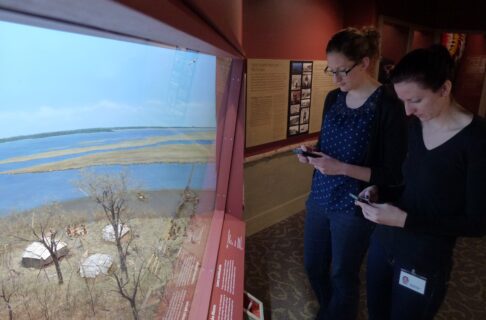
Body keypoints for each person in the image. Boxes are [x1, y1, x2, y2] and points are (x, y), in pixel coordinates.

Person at [355, 45, 486, 320]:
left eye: (415, 100)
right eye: (402, 100)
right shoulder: (414, 127)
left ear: (444, 88)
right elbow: (410, 184)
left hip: (424, 258)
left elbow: (477, 223)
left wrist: (405, 220)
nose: (407, 111)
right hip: (385, 243)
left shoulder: (477, 141)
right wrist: (381, 190)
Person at [296, 27, 407, 320]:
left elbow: (391, 171)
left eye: (342, 71)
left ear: (366, 62)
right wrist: (313, 154)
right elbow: (328, 145)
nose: (336, 79)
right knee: (313, 265)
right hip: (320, 196)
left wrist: (341, 168)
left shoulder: (388, 105)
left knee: (343, 273)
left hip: (353, 205)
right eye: (330, 71)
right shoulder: (333, 98)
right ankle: (331, 311)